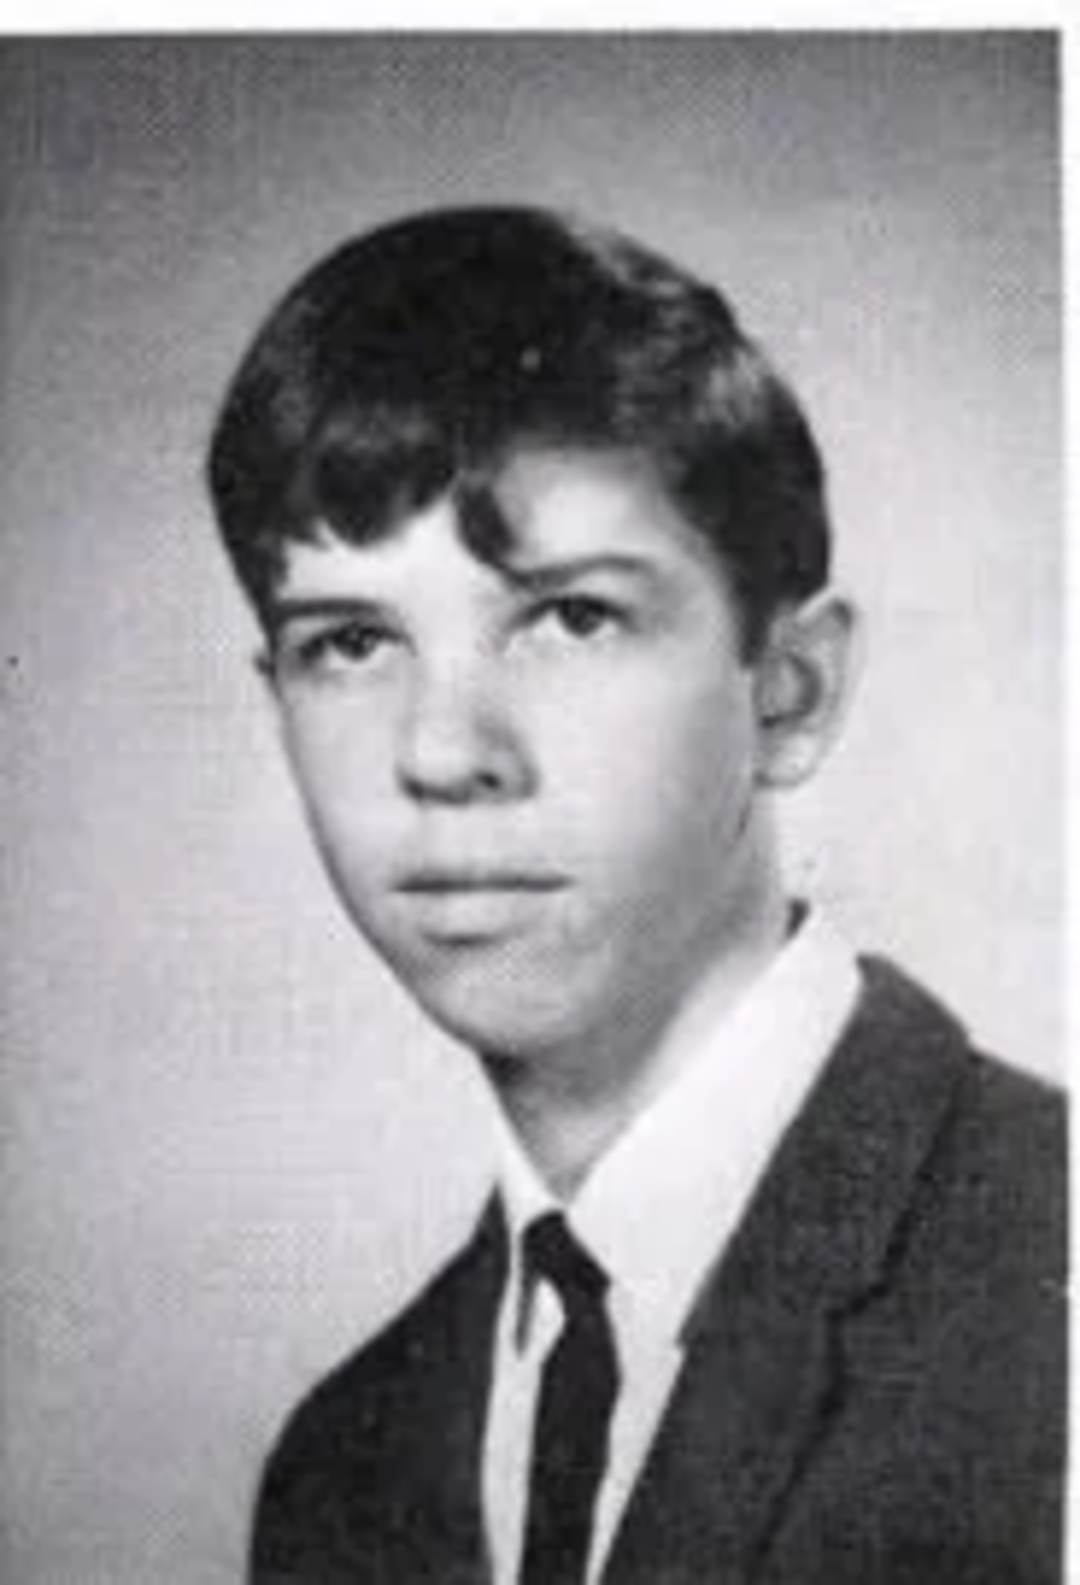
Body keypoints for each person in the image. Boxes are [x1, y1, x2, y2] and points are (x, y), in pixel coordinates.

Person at [206, 207, 1065, 1585]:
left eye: (572, 617)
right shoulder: (344, 1470)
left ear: (788, 692)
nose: (441, 753)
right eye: (351, 641)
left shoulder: (1048, 1289)